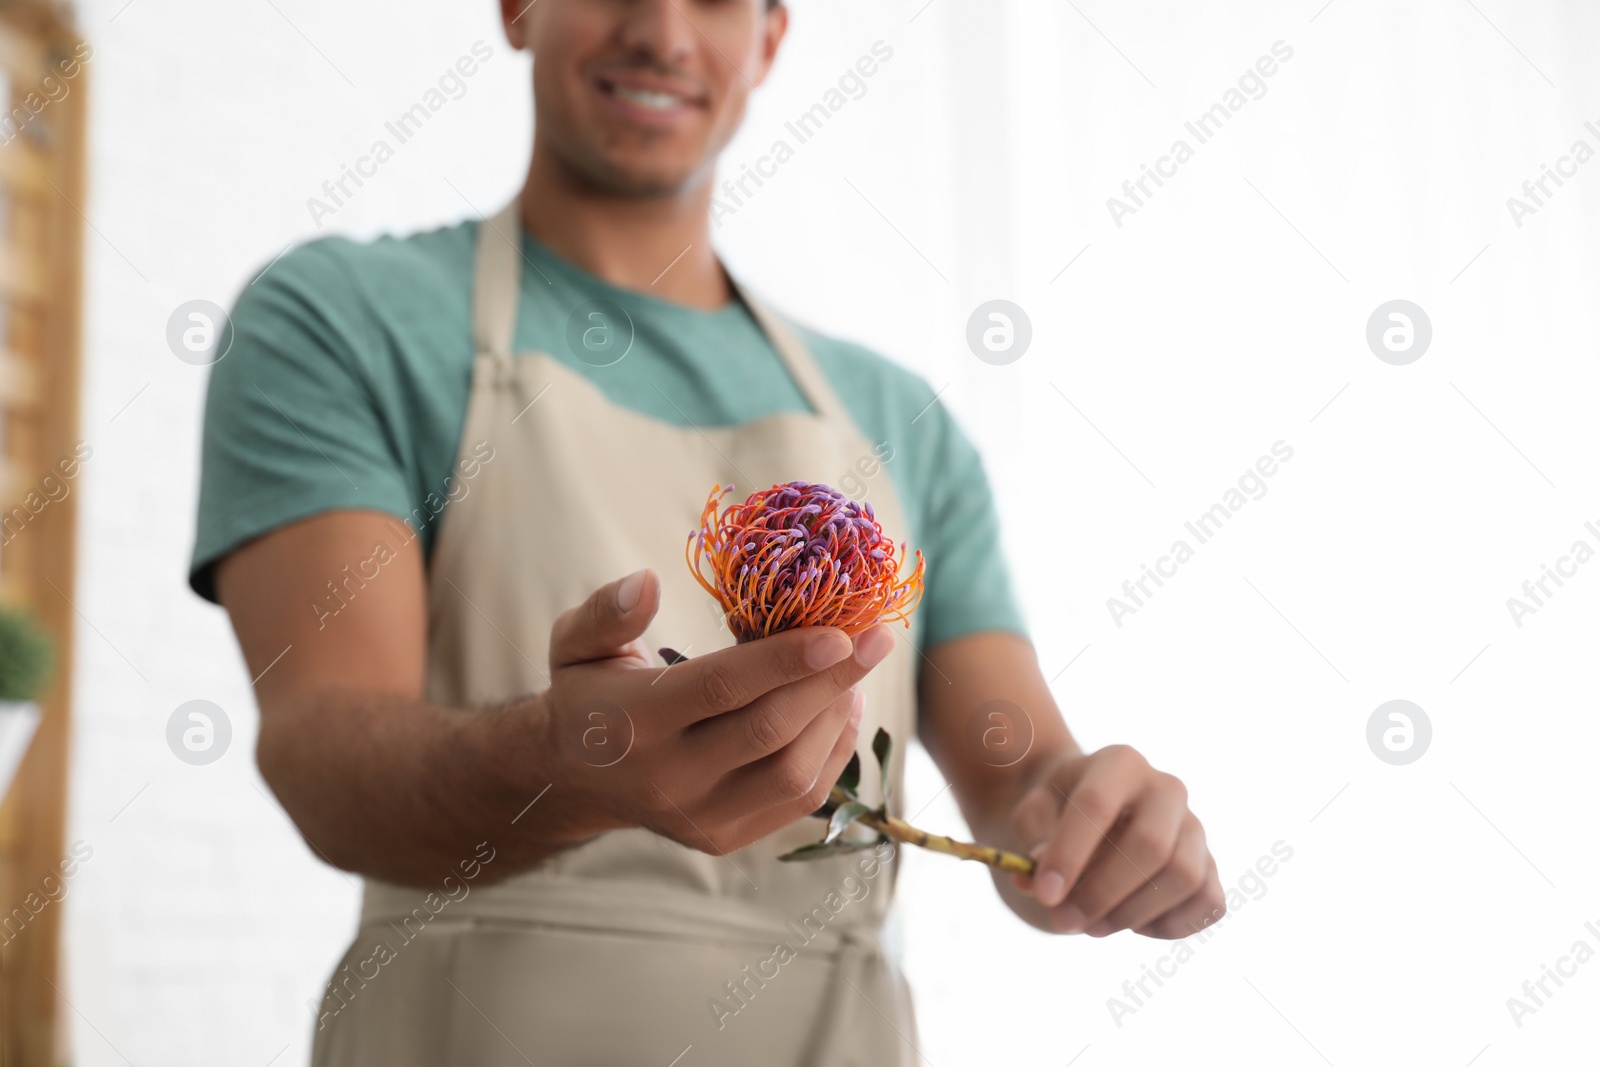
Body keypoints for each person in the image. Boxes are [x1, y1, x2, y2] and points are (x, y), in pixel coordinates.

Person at [191, 1, 1225, 1062]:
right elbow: (323, 746)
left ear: (772, 40)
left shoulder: (899, 422)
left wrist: (1090, 824)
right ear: (516, 10)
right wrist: (557, 761)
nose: (663, 33)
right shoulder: (339, 320)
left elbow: (1020, 779)